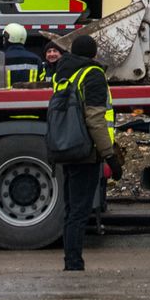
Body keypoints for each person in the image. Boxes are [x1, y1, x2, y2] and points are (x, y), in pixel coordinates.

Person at [51, 33, 116, 271]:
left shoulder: (63, 73)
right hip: (86, 150)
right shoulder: (93, 74)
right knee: (79, 211)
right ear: (93, 53)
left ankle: (71, 260)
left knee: (71, 209)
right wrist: (109, 154)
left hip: (67, 145)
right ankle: (73, 264)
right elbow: (96, 119)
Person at [1, 22, 42, 87]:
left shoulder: (0, 59)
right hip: (30, 96)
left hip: (5, 96)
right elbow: (41, 82)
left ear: (7, 37)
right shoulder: (36, 59)